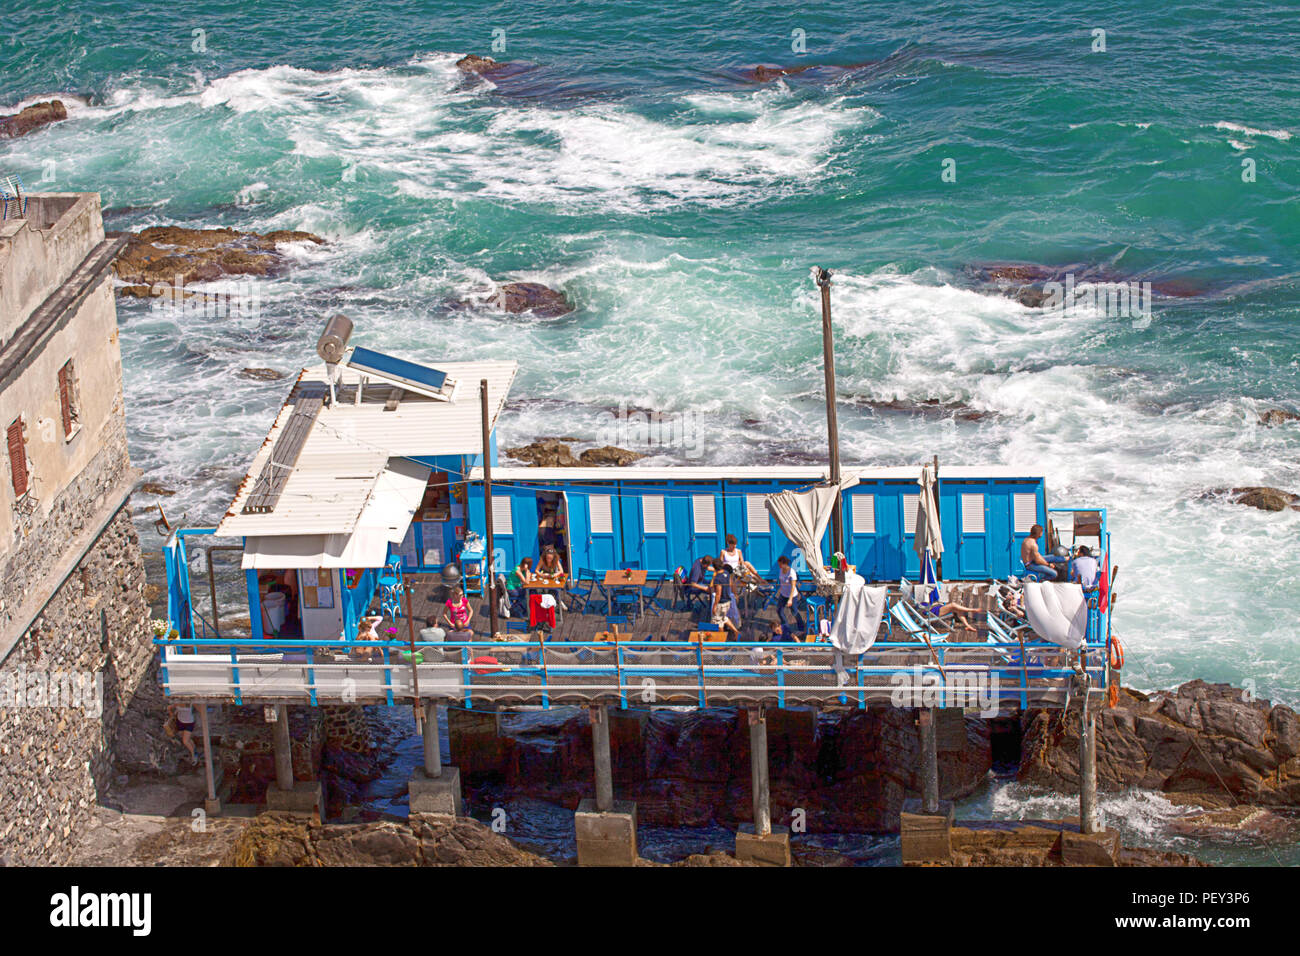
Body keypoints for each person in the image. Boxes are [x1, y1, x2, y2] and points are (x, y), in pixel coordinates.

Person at [773, 554, 805, 638]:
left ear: (784, 563)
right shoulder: (781, 570)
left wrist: (790, 599)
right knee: (779, 610)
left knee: (794, 612)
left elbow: (793, 586)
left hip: (792, 595)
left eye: (780, 564)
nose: (779, 566)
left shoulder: (791, 572)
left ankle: (801, 628)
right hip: (783, 594)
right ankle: (786, 627)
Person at [710, 557, 739, 639]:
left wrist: (714, 606)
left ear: (715, 568)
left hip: (721, 603)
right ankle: (736, 632)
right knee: (724, 618)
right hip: (728, 601)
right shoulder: (726, 572)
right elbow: (730, 584)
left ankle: (721, 641)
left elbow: (718, 594)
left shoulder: (717, 579)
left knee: (718, 622)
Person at [169, 701, 198, 766]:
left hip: (189, 723)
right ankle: (193, 747)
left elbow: (197, 707)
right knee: (186, 739)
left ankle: (194, 755)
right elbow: (169, 707)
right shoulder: (177, 701)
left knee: (185, 741)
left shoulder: (189, 702)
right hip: (180, 722)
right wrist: (171, 714)